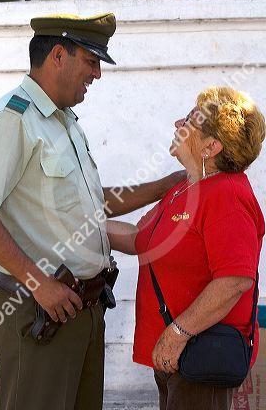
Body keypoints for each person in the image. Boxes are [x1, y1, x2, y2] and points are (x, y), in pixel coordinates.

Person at [0, 13, 184, 410]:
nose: (97, 75)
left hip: (80, 310)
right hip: (38, 308)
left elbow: (94, 202)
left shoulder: (64, 120)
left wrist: (164, 186)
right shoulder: (13, 119)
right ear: (59, 55)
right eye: (91, 61)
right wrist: (39, 283)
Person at [107, 86, 265, 410]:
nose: (178, 122)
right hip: (177, 358)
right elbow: (140, 237)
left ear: (210, 146)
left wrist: (177, 333)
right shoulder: (187, 188)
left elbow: (235, 279)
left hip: (200, 355)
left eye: (192, 119)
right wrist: (71, 227)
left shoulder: (226, 195)